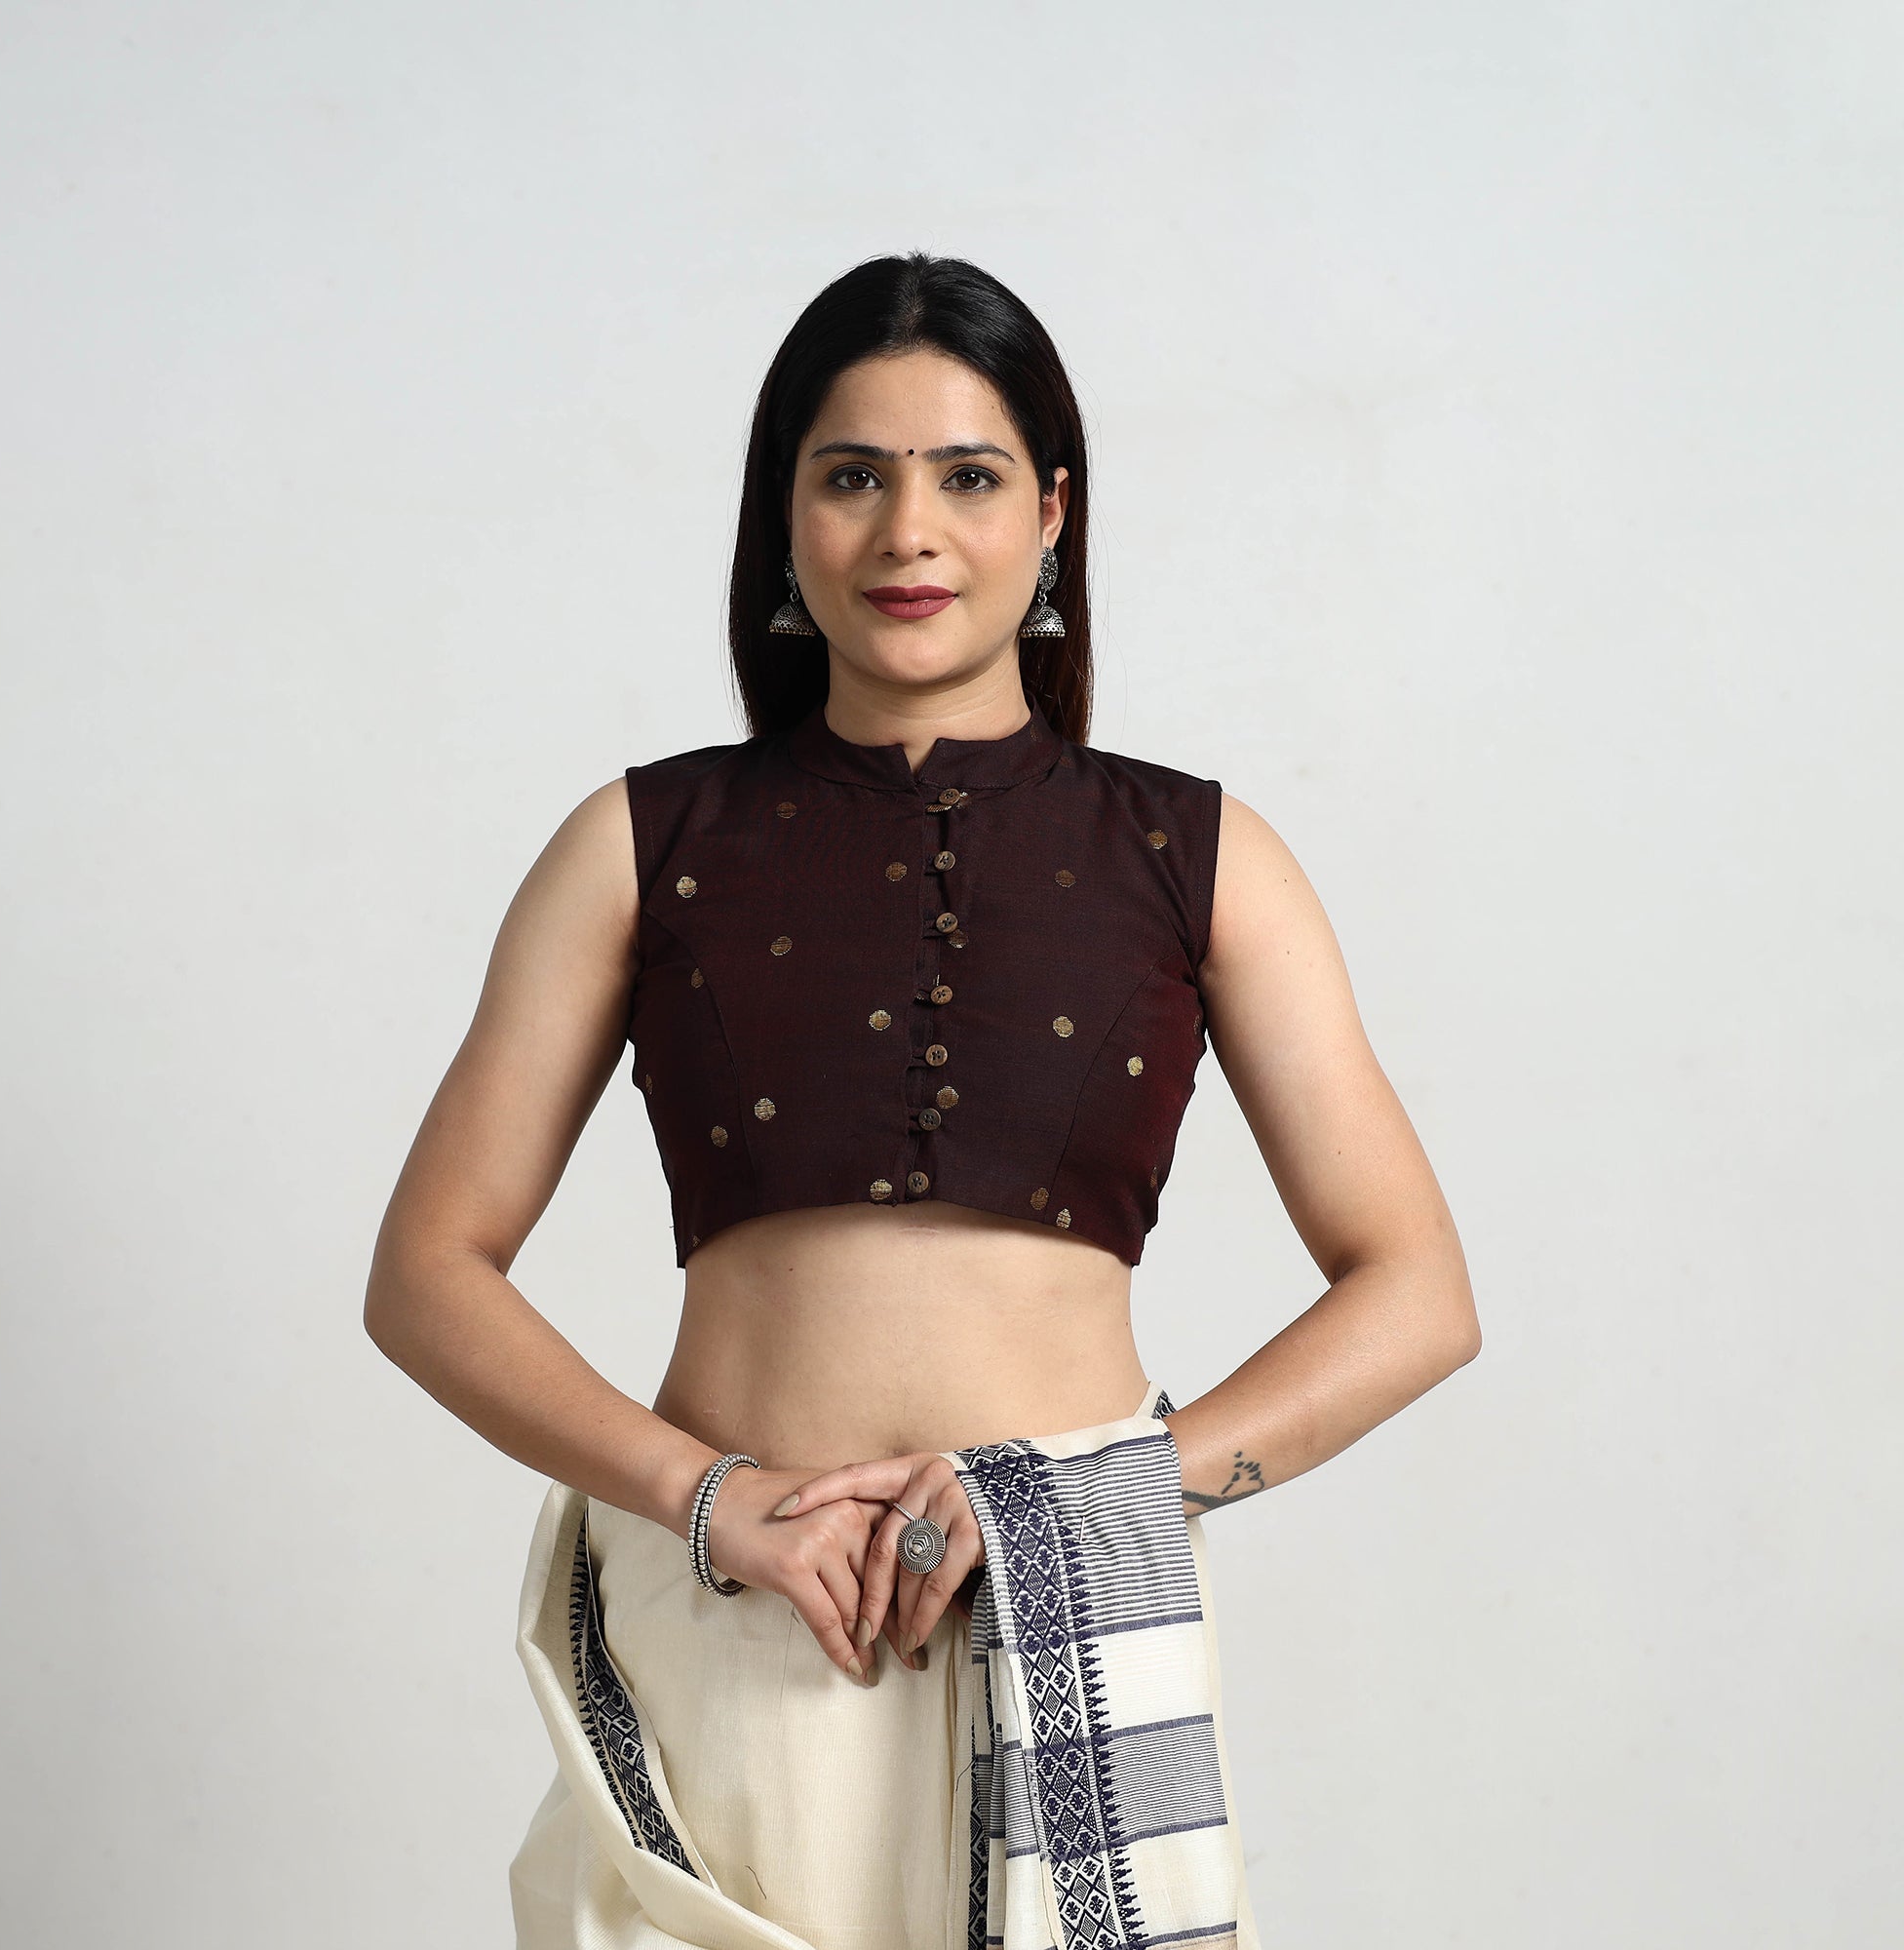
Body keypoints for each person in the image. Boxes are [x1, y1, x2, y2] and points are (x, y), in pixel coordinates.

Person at [364, 251, 1481, 1950]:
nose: (909, 534)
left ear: (1051, 515)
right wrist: (703, 1495)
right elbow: (426, 1271)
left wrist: (1099, 1500)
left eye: (967, 477)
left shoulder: (1198, 856)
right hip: (737, 1630)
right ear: (785, 518)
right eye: (851, 478)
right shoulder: (642, 846)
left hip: (1072, 1623)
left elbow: (1418, 1293)